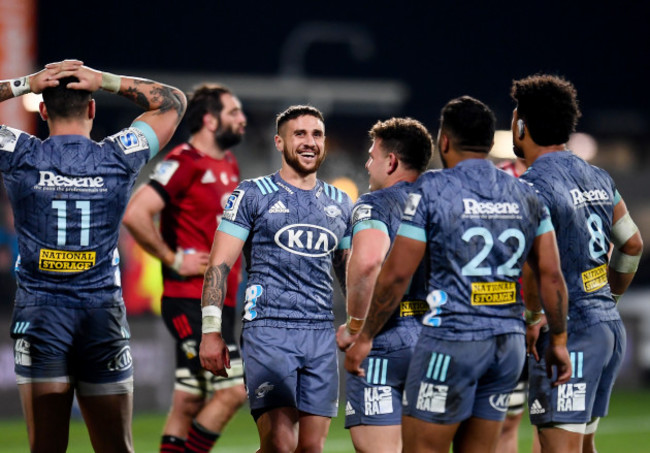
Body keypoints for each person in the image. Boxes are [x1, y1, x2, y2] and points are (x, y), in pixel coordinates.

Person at [345, 95, 572, 453]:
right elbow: (551, 275)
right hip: (508, 346)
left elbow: (395, 274)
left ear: (445, 140)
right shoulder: (528, 195)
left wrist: (366, 334)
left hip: (453, 341)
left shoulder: (432, 190)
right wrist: (557, 339)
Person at [0, 60, 186, 453]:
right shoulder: (118, 156)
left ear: (44, 110)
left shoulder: (19, 153)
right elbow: (173, 103)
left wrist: (23, 85)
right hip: (101, 313)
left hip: (41, 315)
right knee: (116, 448)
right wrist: (106, 81)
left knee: (45, 448)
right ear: (92, 108)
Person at [199, 105, 352, 452]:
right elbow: (219, 266)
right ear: (279, 143)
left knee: (310, 448)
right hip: (268, 329)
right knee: (281, 443)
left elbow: (347, 271)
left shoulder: (341, 202)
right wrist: (211, 330)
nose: (310, 142)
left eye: (317, 134)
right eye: (300, 134)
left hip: (320, 333)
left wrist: (359, 325)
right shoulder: (252, 194)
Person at [511, 74, 644, 453]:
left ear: (521, 125)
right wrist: (607, 298)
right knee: (584, 447)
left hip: (569, 332)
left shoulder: (530, 186)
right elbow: (632, 244)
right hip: (606, 328)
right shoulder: (599, 177)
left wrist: (534, 318)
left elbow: (536, 265)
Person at [122, 84, 248, 453]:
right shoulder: (183, 160)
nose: (242, 119)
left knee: (188, 401)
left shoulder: (227, 163)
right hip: (189, 300)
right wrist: (175, 259)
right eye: (233, 112)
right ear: (210, 119)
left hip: (219, 302)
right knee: (233, 391)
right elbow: (136, 213)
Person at [335, 117, 433, 452]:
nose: (367, 163)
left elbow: (367, 264)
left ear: (391, 161)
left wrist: (356, 327)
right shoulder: (443, 199)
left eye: (372, 155)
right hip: (439, 338)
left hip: (388, 338)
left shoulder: (373, 203)